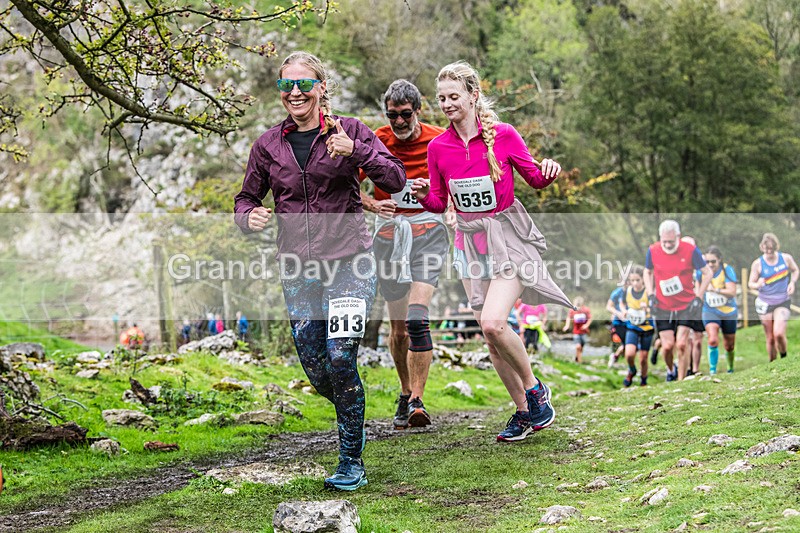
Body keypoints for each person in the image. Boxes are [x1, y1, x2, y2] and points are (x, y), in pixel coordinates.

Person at [234, 51, 404, 491]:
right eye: (286, 85)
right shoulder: (268, 145)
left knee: (341, 356)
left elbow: (397, 177)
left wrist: (358, 150)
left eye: (304, 84)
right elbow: (245, 198)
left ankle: (351, 459)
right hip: (297, 270)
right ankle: (354, 415)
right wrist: (247, 215)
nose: (295, 92)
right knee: (316, 366)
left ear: (321, 88)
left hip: (351, 262)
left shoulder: (351, 132)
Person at [411, 60, 571, 442]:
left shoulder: (504, 135)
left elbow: (534, 177)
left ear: (473, 95)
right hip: (469, 245)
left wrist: (549, 170)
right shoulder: (438, 147)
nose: (447, 104)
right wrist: (423, 196)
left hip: (506, 239)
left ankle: (536, 391)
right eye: (442, 98)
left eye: (454, 96)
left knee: (492, 323)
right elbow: (438, 200)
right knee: (491, 337)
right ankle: (522, 412)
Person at [359, 80, 447, 430]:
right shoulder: (377, 140)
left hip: (428, 233)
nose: (398, 122)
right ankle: (404, 389)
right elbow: (350, 183)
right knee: (398, 330)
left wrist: (451, 206)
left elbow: (459, 175)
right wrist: (372, 203)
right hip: (390, 236)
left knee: (416, 318)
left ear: (419, 111)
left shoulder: (439, 138)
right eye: (392, 115)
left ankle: (417, 401)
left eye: (405, 115)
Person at [643, 220, 712, 381]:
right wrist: (650, 294)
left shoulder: (690, 250)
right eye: (664, 241)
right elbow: (647, 272)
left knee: (681, 344)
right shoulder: (653, 250)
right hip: (662, 305)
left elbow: (707, 273)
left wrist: (699, 297)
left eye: (671, 241)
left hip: (686, 305)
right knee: (667, 347)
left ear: (678, 237)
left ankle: (681, 382)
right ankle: (670, 370)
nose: (667, 245)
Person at [748, 233, 798, 362]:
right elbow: (750, 284)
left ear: (776, 247)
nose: (769, 252)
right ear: (762, 248)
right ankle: (773, 363)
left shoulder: (785, 258)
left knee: (779, 334)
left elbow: (795, 270)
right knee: (770, 338)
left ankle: (784, 357)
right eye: (766, 249)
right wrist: (757, 284)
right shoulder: (757, 264)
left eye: (772, 249)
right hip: (765, 302)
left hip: (782, 301)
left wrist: (792, 283)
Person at [700, 246, 738, 374]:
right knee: (712, 339)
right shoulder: (701, 272)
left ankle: (730, 368)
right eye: (707, 262)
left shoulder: (727, 270)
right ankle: (712, 370)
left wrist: (716, 290)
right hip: (710, 310)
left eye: (713, 262)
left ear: (719, 260)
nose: (710, 265)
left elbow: (732, 292)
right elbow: (697, 290)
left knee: (729, 344)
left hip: (728, 311)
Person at [619, 266, 654, 387]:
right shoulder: (627, 291)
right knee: (629, 354)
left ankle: (643, 381)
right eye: (632, 280)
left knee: (643, 358)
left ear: (643, 279)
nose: (635, 283)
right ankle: (632, 370)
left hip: (647, 327)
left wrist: (647, 308)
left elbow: (655, 308)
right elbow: (622, 303)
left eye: (637, 280)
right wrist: (623, 310)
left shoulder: (648, 292)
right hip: (632, 326)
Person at [606, 277, 628, 368]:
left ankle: (615, 356)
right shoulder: (617, 293)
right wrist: (618, 313)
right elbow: (609, 306)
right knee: (627, 343)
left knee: (630, 344)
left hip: (633, 322)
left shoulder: (637, 292)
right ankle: (616, 356)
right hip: (619, 322)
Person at [563, 296, 592, 364]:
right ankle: (579, 362)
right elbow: (568, 318)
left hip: (584, 332)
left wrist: (586, 325)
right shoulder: (572, 310)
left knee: (581, 347)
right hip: (576, 332)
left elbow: (590, 318)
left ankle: (577, 357)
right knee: (578, 347)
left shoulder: (586, 310)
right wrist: (567, 326)